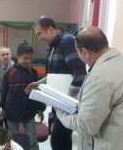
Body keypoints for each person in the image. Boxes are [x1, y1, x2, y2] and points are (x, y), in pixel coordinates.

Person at [56, 27, 123, 150]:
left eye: (77, 53)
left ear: (84, 52)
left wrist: (60, 111)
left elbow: (86, 126)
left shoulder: (99, 77)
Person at [29, 17, 87, 150]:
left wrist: (67, 100)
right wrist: (38, 83)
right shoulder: (52, 47)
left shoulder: (67, 41)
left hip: (66, 102)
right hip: (56, 102)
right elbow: (55, 74)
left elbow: (80, 75)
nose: (38, 38)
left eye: (39, 34)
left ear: (50, 29)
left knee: (59, 139)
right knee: (57, 138)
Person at [1, 44, 46, 150]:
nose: (28, 61)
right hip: (12, 114)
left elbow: (37, 93)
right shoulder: (10, 73)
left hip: (29, 113)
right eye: (25, 58)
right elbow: (4, 94)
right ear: (18, 56)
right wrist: (3, 110)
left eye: (30, 58)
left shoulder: (33, 72)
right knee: (14, 141)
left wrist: (40, 108)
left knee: (32, 141)